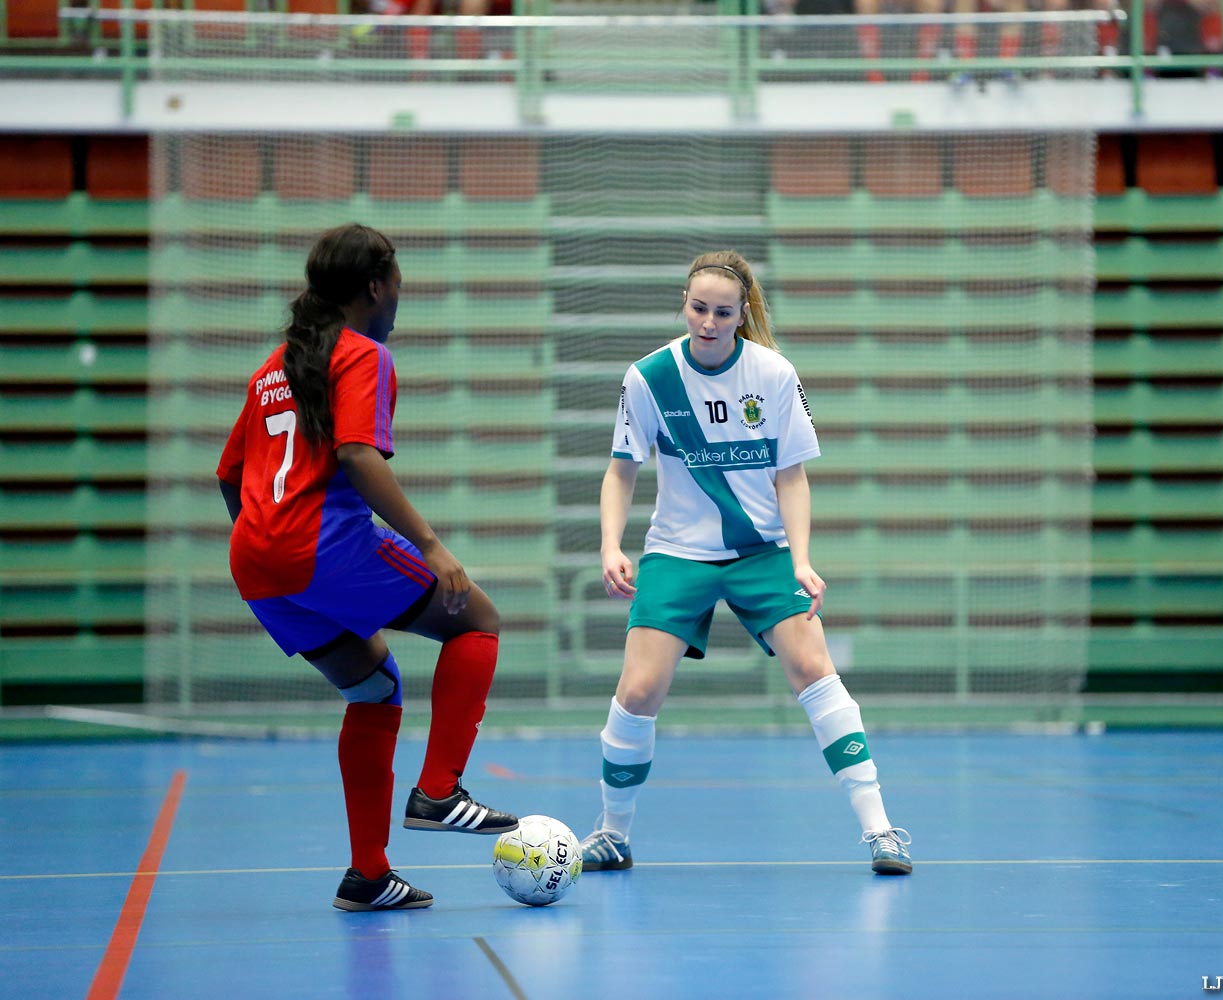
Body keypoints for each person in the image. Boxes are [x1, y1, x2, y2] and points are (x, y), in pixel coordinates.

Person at [580, 250, 913, 876]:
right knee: (640, 688)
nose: (708, 321)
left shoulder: (774, 374)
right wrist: (609, 544)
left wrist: (802, 560)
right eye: (698, 308)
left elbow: (792, 477)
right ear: (685, 304)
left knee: (814, 668)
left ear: (742, 314)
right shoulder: (649, 377)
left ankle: (882, 831)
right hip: (678, 553)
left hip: (762, 551)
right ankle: (612, 832)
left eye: (723, 312)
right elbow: (621, 470)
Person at [216, 223, 518, 912]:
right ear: (377, 287)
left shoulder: (274, 367)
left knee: (375, 690)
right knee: (477, 618)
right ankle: (440, 791)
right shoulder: (363, 354)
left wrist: (270, 542)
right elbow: (357, 453)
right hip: (320, 544)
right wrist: (433, 545)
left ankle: (368, 875)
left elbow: (230, 474)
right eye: (398, 286)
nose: (398, 300)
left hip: (257, 563)